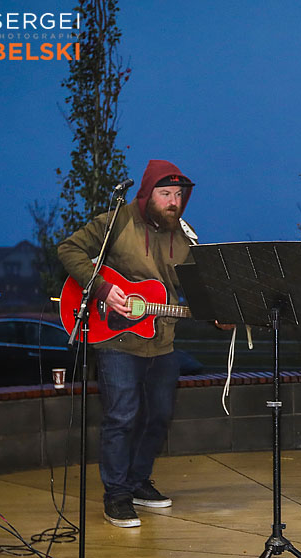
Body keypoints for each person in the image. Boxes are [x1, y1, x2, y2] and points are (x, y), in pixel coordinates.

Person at [58, 160, 198, 528]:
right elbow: (69, 249)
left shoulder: (185, 236)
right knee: (121, 416)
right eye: (166, 194)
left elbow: (200, 287)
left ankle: (137, 482)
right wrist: (103, 288)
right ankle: (116, 495)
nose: (174, 202)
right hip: (115, 336)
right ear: (147, 193)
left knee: (160, 415)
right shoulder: (117, 221)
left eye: (179, 195)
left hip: (162, 340)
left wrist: (221, 309)